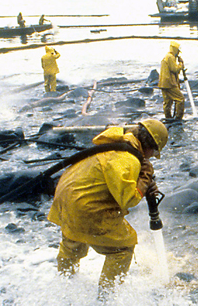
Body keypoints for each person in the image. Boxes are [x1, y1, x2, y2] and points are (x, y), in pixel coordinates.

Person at [48, 119, 168, 294]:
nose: (150, 157)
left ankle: (64, 288)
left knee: (74, 240)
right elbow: (128, 199)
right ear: (150, 146)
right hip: (86, 208)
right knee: (123, 248)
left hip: (66, 199)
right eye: (153, 152)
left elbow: (111, 178)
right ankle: (107, 298)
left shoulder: (114, 145)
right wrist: (145, 177)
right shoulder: (127, 158)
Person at [159, 41, 186, 120]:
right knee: (180, 99)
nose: (178, 53)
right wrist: (181, 64)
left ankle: (168, 118)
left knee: (168, 101)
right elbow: (174, 69)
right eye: (177, 51)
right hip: (169, 83)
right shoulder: (170, 57)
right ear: (175, 50)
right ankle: (178, 118)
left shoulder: (166, 56)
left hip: (163, 83)